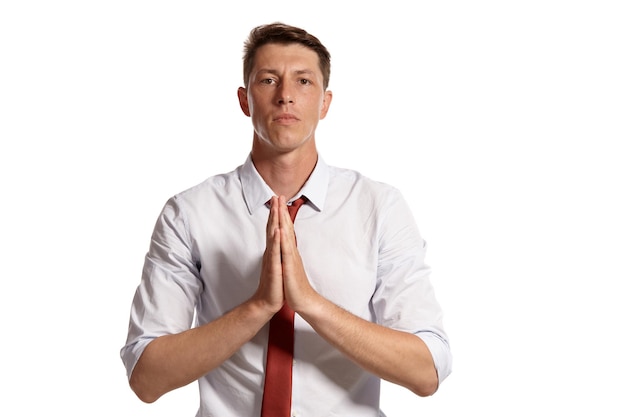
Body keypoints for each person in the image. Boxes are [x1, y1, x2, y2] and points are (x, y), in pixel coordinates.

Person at [120, 22, 452, 416]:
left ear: (325, 103)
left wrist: (310, 303)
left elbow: (427, 371)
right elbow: (146, 377)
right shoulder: (189, 213)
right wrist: (258, 306)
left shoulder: (379, 207)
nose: (286, 97)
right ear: (245, 101)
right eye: (268, 80)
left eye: (304, 81)